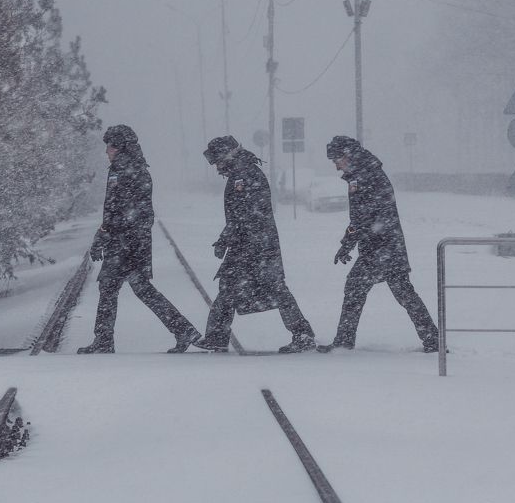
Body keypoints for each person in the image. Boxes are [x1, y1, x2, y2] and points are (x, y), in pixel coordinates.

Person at [79, 125, 202, 354]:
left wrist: (105, 235)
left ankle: (106, 340)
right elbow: (121, 211)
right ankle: (182, 330)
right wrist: (106, 234)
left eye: (110, 146)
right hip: (128, 242)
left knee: (122, 288)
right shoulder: (129, 168)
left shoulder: (126, 170)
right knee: (123, 288)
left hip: (127, 243)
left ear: (120, 147)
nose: (107, 151)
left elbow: (123, 211)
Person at [186, 135, 315, 354]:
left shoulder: (245, 174)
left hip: (256, 246)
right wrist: (226, 238)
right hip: (249, 243)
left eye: (218, 161)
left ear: (228, 155)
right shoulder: (241, 172)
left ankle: (303, 334)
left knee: (274, 288)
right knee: (230, 288)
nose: (217, 167)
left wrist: (228, 238)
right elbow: (240, 216)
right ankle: (217, 337)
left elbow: (246, 215)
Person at [321, 136, 439, 353]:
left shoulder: (365, 176)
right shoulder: (366, 172)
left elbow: (365, 217)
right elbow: (363, 217)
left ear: (347, 155)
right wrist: (348, 242)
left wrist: (349, 242)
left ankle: (344, 341)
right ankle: (433, 339)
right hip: (385, 246)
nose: (336, 166)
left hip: (380, 247)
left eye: (337, 160)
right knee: (402, 292)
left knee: (360, 288)